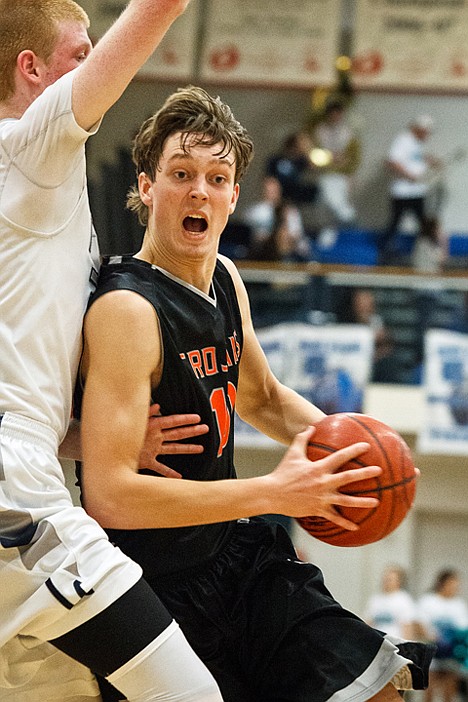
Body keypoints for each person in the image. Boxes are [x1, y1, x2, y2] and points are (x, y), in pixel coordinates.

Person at [76, 84, 435, 702]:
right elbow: (109, 497)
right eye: (180, 173)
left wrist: (355, 456)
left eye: (217, 178)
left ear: (234, 195)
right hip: (149, 581)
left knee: (383, 685)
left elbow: (264, 397)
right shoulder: (128, 309)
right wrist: (274, 491)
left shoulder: (224, 277)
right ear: (145, 187)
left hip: (233, 555)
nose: (199, 191)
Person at [0, 2, 225, 701]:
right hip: (17, 504)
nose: (94, 64)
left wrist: (89, 438)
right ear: (30, 69)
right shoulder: (28, 147)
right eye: (80, 52)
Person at [380, 115, 439, 265]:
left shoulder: (416, 144)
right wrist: (409, 176)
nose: (427, 136)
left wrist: (428, 161)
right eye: (425, 132)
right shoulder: (404, 140)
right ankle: (384, 251)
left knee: (423, 223)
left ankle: (428, 252)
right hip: (403, 192)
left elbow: (413, 159)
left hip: (416, 191)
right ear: (418, 129)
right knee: (395, 223)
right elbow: (392, 161)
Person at [417, 569, 468, 702]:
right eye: (451, 584)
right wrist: (432, 637)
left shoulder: (459, 605)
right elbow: (420, 624)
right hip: (432, 649)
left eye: (456, 586)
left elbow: (462, 629)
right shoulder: (428, 601)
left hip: (451, 652)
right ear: (442, 583)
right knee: (429, 686)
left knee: (450, 687)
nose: (454, 588)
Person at [311, 97, 360, 227]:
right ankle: (340, 222)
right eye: (332, 114)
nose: (335, 117)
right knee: (328, 202)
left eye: (338, 114)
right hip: (326, 173)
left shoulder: (349, 133)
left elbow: (354, 157)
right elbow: (314, 154)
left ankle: (343, 226)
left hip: (342, 175)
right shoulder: (320, 131)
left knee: (340, 202)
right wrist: (329, 158)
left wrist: (350, 174)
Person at [366, 565, 417, 640]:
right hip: (377, 642)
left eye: (390, 579)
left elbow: (407, 626)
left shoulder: (404, 600)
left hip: (395, 643)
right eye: (385, 579)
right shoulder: (375, 599)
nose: (386, 582)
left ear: (399, 581)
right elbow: (369, 622)